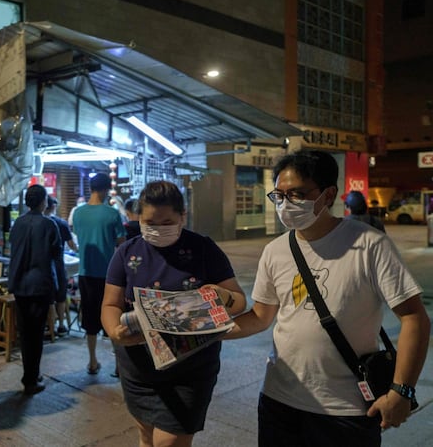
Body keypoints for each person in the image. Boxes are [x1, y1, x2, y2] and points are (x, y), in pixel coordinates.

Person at [226, 150, 430, 446]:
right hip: (278, 402)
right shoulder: (275, 250)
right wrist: (205, 333)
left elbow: (414, 318)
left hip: (347, 411)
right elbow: (261, 316)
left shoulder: (369, 245)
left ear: (328, 194)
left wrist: (401, 392)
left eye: (297, 193)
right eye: (279, 195)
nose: (286, 204)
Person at [101, 181, 247, 447]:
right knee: (145, 435)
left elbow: (238, 302)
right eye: (149, 223)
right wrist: (114, 332)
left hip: (191, 368)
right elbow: (110, 304)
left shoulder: (204, 249)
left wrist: (220, 295)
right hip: (138, 368)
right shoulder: (126, 253)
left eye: (166, 222)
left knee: (167, 443)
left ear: (183, 216)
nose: (157, 230)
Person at [8, 185, 63, 395]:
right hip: (41, 285)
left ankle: (29, 374)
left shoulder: (18, 224)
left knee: (25, 333)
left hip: (20, 284)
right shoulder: (49, 225)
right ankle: (31, 379)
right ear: (43, 202)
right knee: (37, 334)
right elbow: (57, 256)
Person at [72, 173, 126, 374]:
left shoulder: (78, 213)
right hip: (109, 275)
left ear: (91, 188)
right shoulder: (112, 214)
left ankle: (92, 361)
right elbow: (121, 245)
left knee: (90, 318)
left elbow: (80, 236)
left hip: (85, 273)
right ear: (105, 190)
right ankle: (120, 365)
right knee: (113, 317)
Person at [44, 196, 76, 335]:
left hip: (44, 264)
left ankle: (49, 327)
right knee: (61, 295)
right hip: (58, 262)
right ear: (52, 206)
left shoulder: (40, 222)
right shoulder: (61, 223)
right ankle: (61, 325)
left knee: (49, 297)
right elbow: (71, 245)